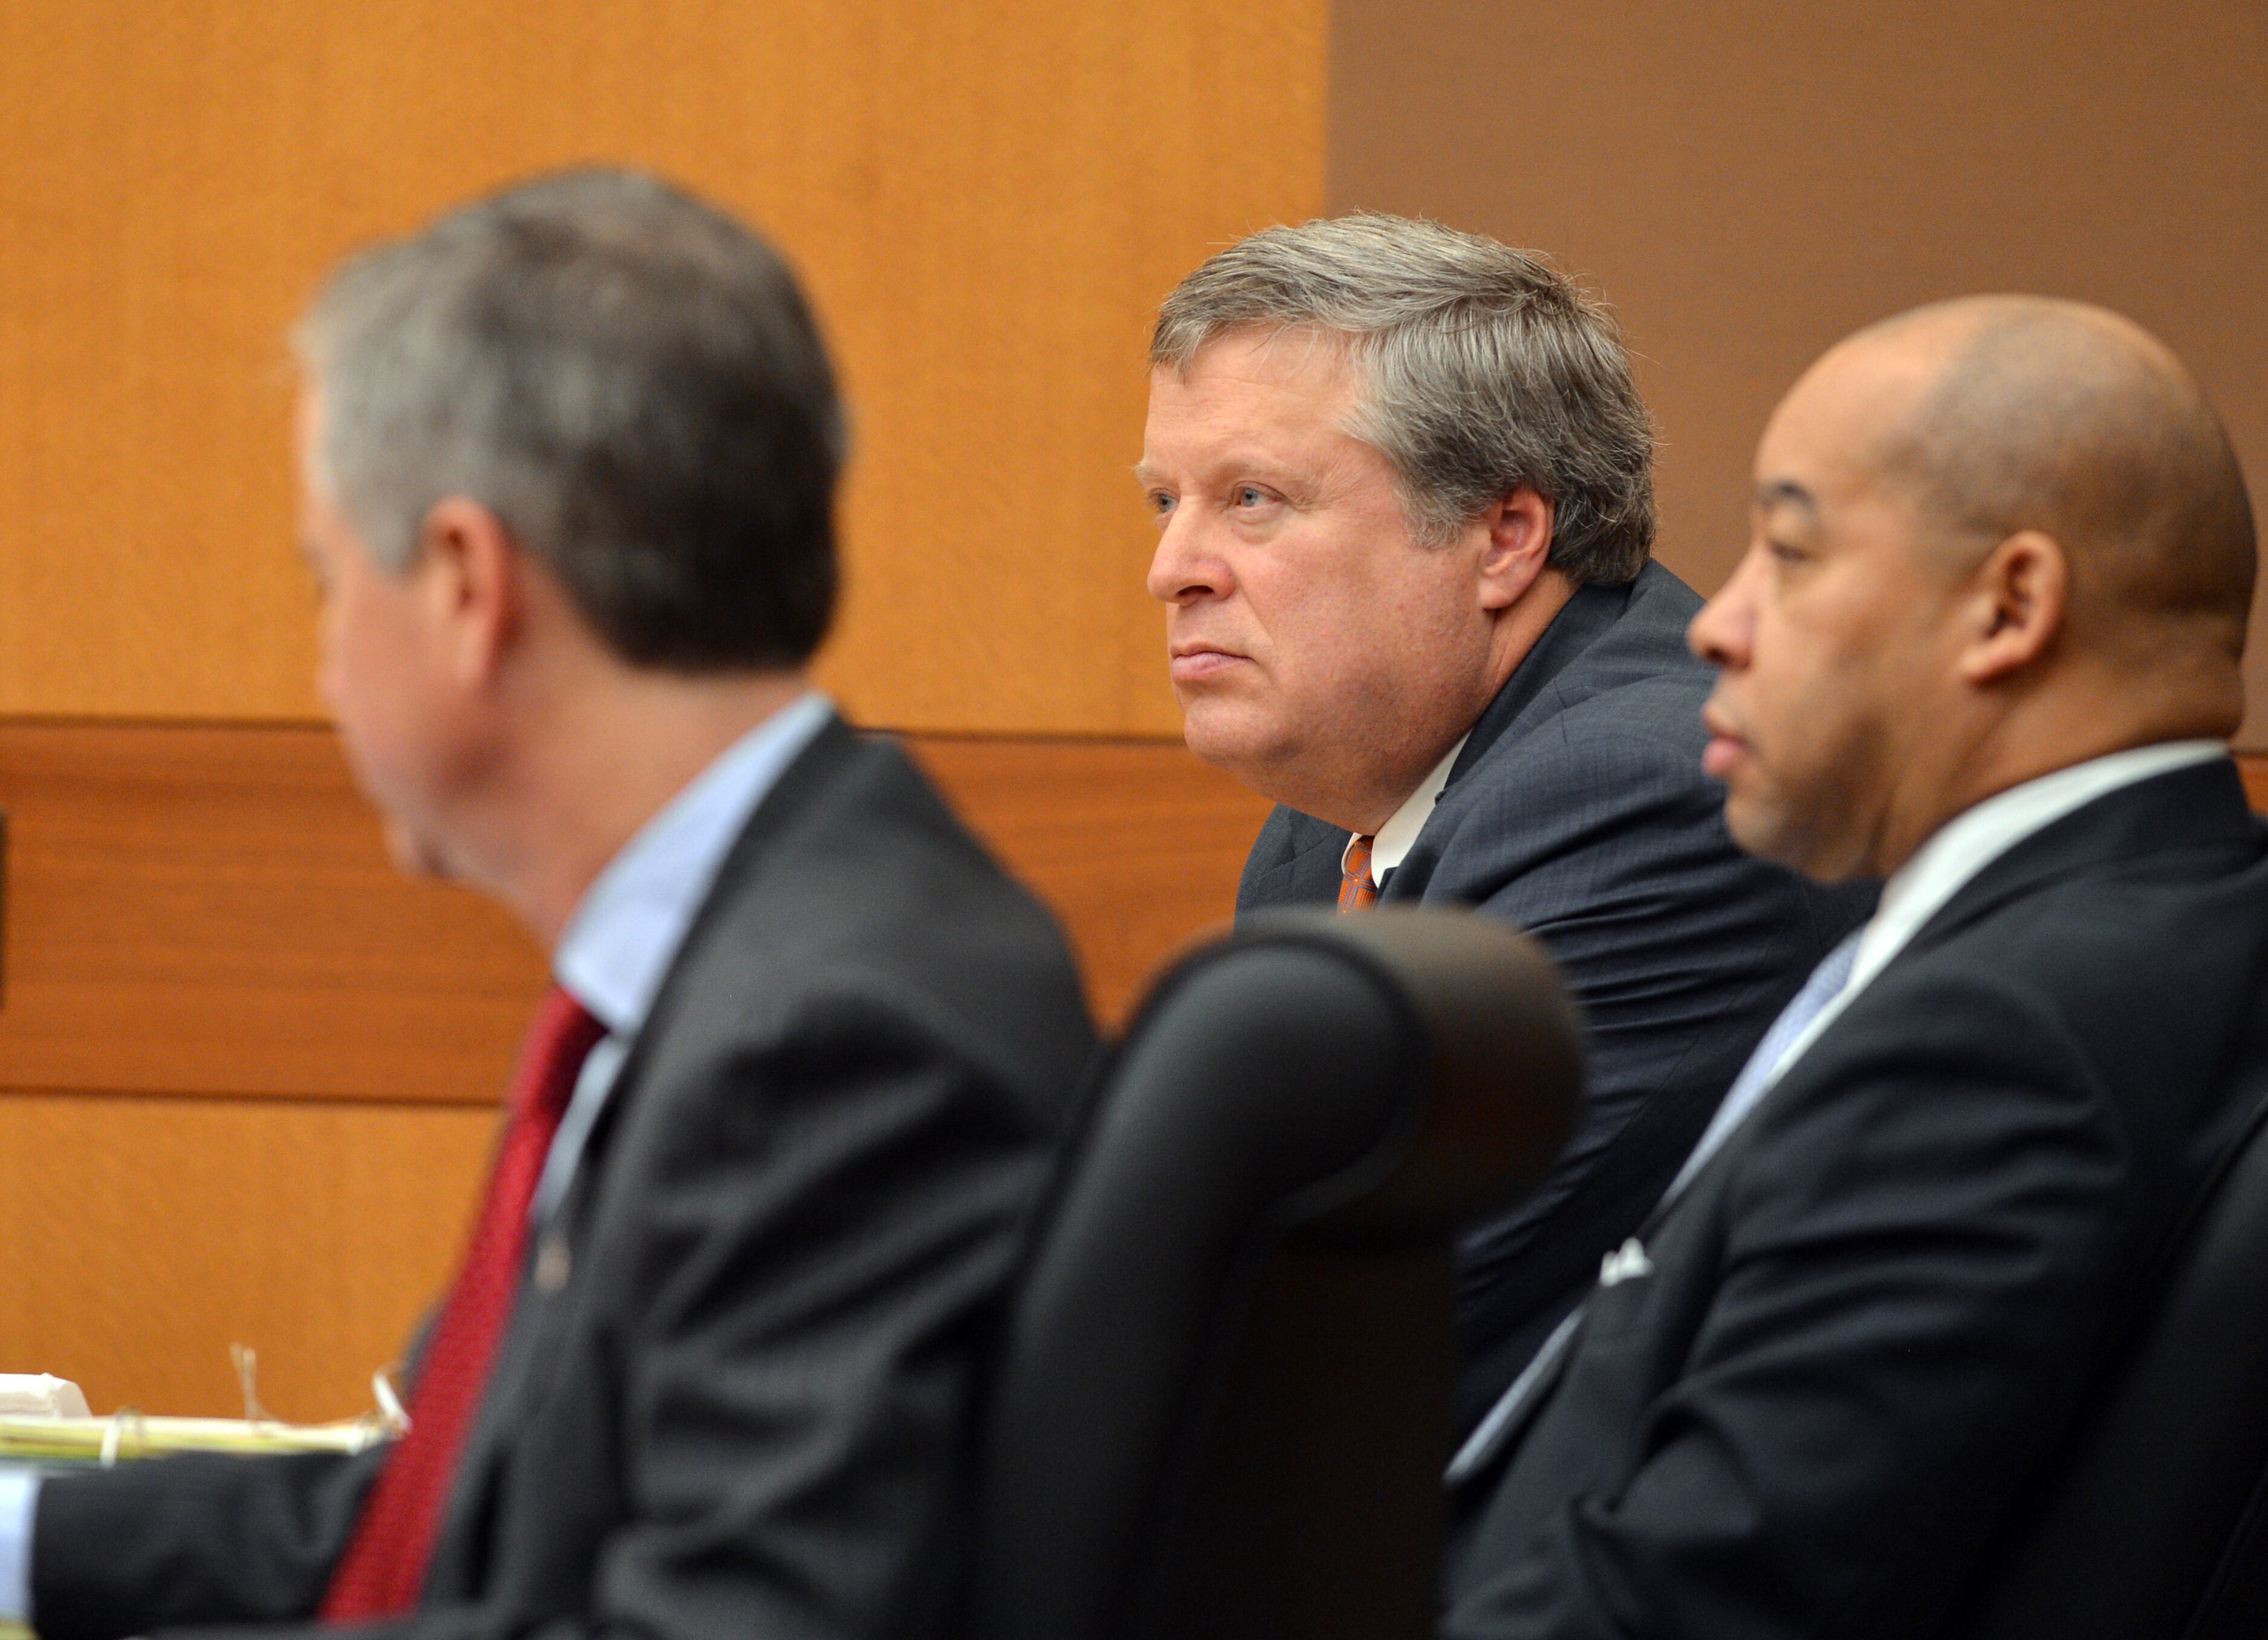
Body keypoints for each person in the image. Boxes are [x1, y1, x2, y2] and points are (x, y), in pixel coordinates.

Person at [5, 170, 1096, 1640]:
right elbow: (443, 1527)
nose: (325, 669)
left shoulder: (833, 1033)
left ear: (467, 585)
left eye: (327, 583)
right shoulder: (762, 948)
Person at [1442, 296, 2268, 1638]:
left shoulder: (1994, 1040)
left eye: (1789, 555)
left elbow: (1702, 1604)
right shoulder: (2216, 909)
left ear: (2011, 607)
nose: (1714, 627)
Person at [1137, 213, 1870, 1434]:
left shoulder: (1654, 796)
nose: (1174, 566)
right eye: (1166, 499)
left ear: (1503, 538)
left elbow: (1365, 1321)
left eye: (1251, 499)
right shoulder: (1328, 824)